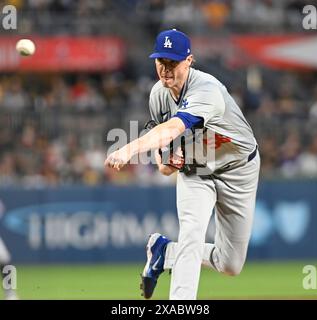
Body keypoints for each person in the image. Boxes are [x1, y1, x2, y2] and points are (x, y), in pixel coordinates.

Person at [105, 29, 260, 300]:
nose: (165, 70)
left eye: (172, 63)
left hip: (238, 170)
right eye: (160, 62)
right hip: (197, 171)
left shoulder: (207, 90)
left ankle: (164, 251)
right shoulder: (158, 94)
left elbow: (172, 128)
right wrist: (167, 162)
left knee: (231, 264)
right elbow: (163, 158)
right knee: (192, 235)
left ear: (189, 60)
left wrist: (129, 149)